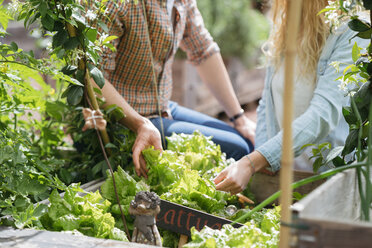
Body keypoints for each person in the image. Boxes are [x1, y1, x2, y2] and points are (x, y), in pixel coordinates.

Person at [214, 0, 369, 194]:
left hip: (326, 182)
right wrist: (265, 161)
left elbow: (323, 114)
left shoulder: (354, 30)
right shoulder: (287, 23)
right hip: (284, 178)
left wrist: (251, 163)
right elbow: (267, 103)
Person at [91, 0, 256, 177]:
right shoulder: (118, 4)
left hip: (162, 106)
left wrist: (239, 118)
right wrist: (140, 123)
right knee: (237, 149)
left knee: (246, 141)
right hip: (125, 117)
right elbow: (93, 78)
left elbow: (203, 50)